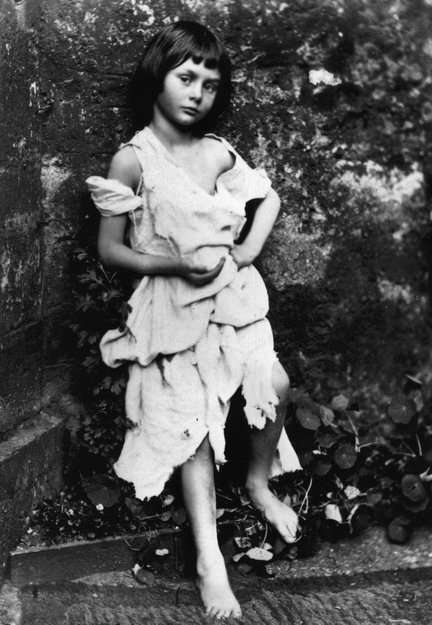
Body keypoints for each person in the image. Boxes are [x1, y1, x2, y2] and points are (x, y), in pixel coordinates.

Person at [86, 20, 301, 620]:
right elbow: (110, 249)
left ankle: (258, 483)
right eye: (186, 78)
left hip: (233, 300)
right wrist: (174, 264)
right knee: (194, 425)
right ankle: (210, 560)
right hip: (172, 308)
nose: (197, 93)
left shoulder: (215, 151)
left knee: (275, 384)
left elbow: (268, 197)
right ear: (158, 78)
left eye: (210, 84)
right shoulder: (133, 160)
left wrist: (249, 249)